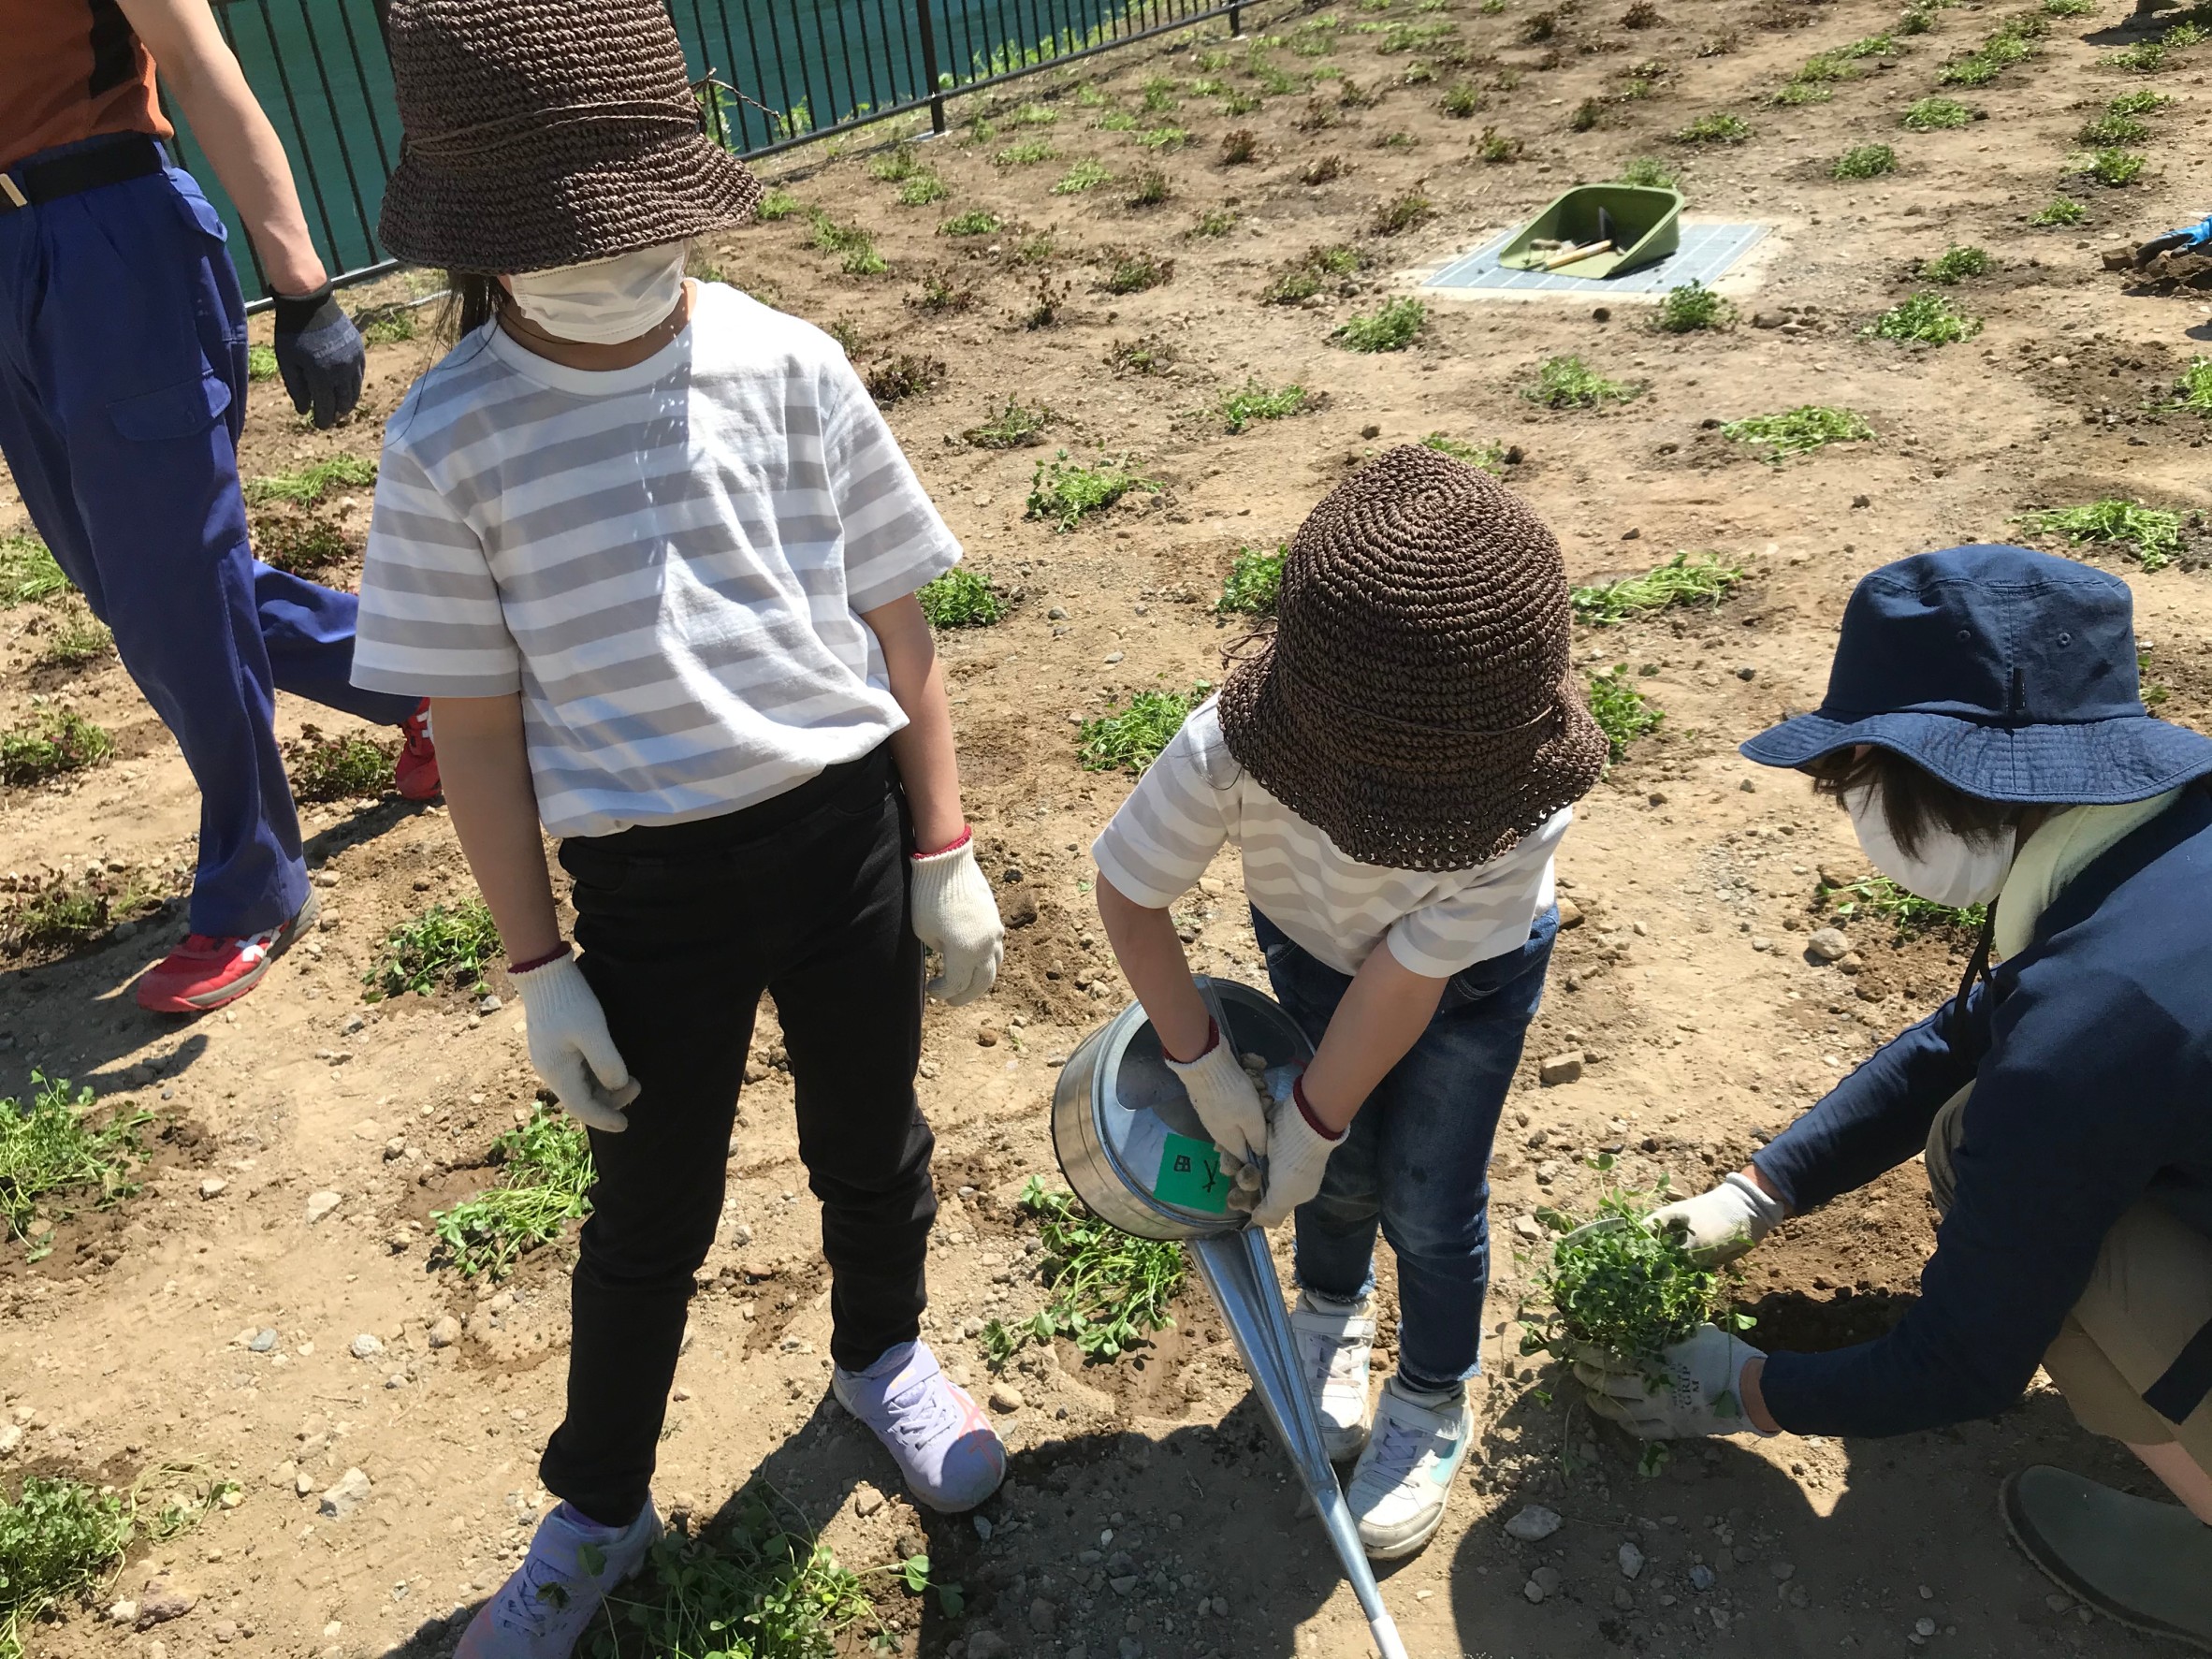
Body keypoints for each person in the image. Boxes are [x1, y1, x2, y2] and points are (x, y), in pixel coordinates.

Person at [348, 2, 1010, 1652]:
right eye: (560, 235)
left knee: (875, 1138)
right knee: (649, 1212)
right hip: (642, 886)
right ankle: (599, 1501)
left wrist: (941, 845)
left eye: (630, 222)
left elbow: (892, 618)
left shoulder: (791, 363)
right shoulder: (447, 439)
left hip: (841, 829)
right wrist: (536, 964)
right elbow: (478, 730)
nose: (607, 260)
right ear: (477, 244)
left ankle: (881, 1352)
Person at [1576, 545, 2212, 1647]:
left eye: (1858, 779)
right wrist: (1758, 1191)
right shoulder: (2156, 840)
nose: (1854, 812)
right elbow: (1974, 1031)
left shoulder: (2089, 1029)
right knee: (1987, 1136)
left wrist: (1744, 1390)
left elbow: (1965, 1360)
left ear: (1945, 778)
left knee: (2037, 1231)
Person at [1092, 446, 1608, 1559]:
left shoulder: (1525, 806)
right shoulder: (1231, 749)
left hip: (1470, 981)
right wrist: (1201, 1062)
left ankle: (1432, 1391)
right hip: (1314, 956)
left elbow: (1411, 978)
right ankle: (1330, 1313)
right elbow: (1129, 895)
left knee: (1429, 1194)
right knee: (1336, 1179)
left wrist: (1314, 1120)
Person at [0, 0, 438, 1013]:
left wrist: (302, 287)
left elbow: (196, 61)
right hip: (14, 260)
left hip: (110, 238)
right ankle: (423, 683)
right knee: (139, 584)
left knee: (173, 589)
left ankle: (257, 888)